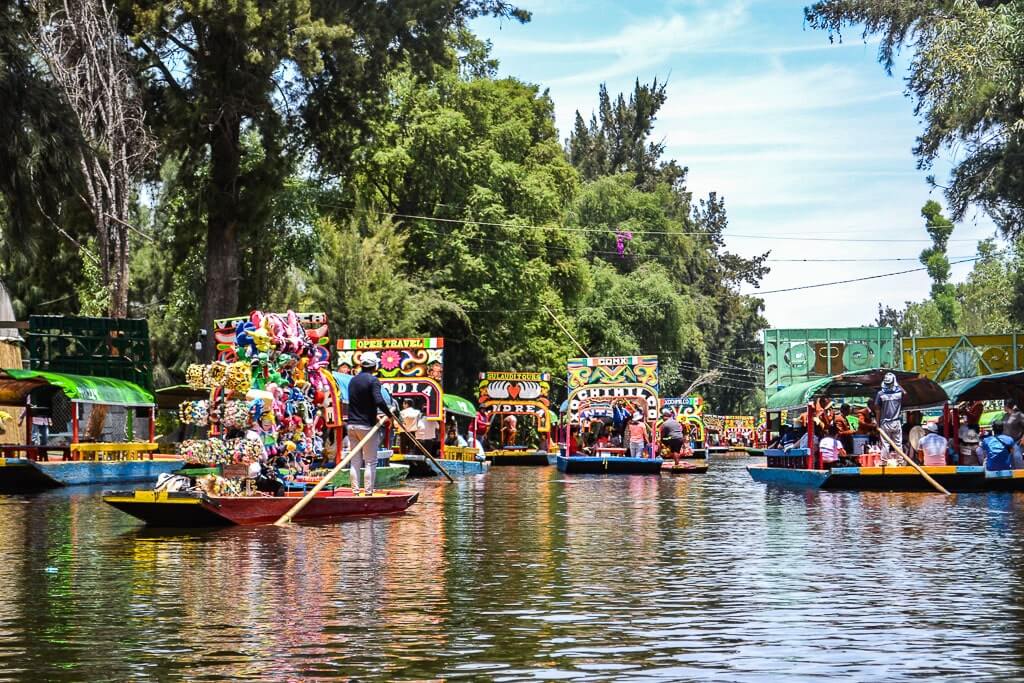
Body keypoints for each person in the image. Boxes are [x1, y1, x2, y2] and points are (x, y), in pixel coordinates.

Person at [347, 351, 395, 495]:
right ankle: (368, 492)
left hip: (351, 426)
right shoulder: (373, 381)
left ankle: (355, 492)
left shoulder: (352, 380)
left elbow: (361, 403)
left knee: (355, 461)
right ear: (375, 366)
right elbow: (379, 401)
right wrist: (389, 415)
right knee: (370, 461)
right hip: (366, 427)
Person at [872, 372, 905, 463]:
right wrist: (898, 385)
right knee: (898, 443)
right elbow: (905, 392)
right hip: (896, 422)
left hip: (885, 423)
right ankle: (900, 461)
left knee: (885, 444)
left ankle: (883, 461)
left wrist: (878, 424)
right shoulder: (899, 393)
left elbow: (877, 410)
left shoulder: (880, 394)